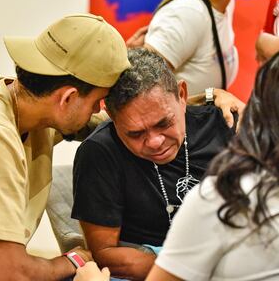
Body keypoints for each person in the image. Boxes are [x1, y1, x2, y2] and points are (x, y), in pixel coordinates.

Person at [0, 13, 131, 281]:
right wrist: (74, 260)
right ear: (68, 98)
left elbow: (117, 121)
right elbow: (11, 274)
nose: (98, 110)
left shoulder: (21, 101)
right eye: (98, 101)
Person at [73, 50, 279, 281]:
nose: (154, 142)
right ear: (111, 115)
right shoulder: (100, 152)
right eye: (135, 133)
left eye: (164, 123)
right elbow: (105, 254)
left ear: (182, 95)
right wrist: (184, 268)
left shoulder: (225, 124)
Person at [126, 0, 238, 96]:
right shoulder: (187, 13)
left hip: (200, 116)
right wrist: (212, 98)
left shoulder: (226, 4)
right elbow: (137, 93)